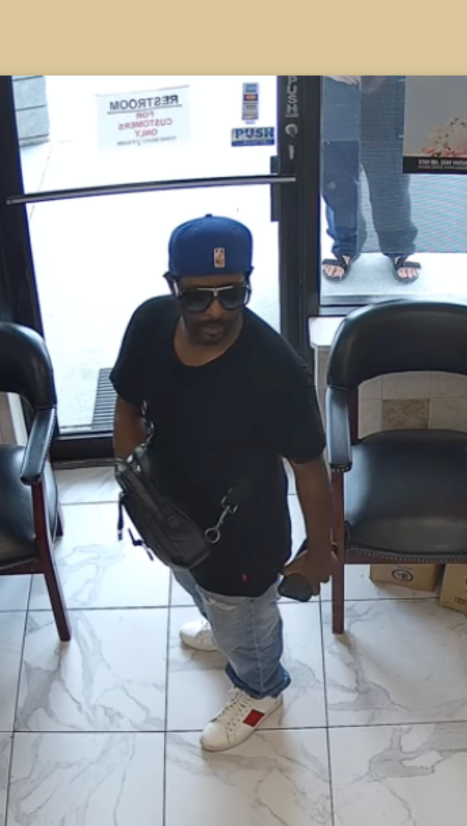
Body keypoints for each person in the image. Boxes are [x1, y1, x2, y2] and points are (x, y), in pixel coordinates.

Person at [111, 215, 337, 752]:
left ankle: (261, 688)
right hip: (169, 512)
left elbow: (309, 465)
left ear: (248, 284)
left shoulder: (274, 369)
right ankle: (225, 627)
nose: (215, 310)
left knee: (245, 612)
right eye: (198, 297)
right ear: (173, 287)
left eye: (231, 294)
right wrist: (132, 478)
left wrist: (320, 548)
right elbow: (127, 398)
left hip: (242, 533)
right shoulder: (149, 323)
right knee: (198, 586)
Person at [320, 76, 420, 284]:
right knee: (338, 185)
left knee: (390, 182)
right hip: (333, 101)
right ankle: (346, 245)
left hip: (387, 96)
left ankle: (398, 246)